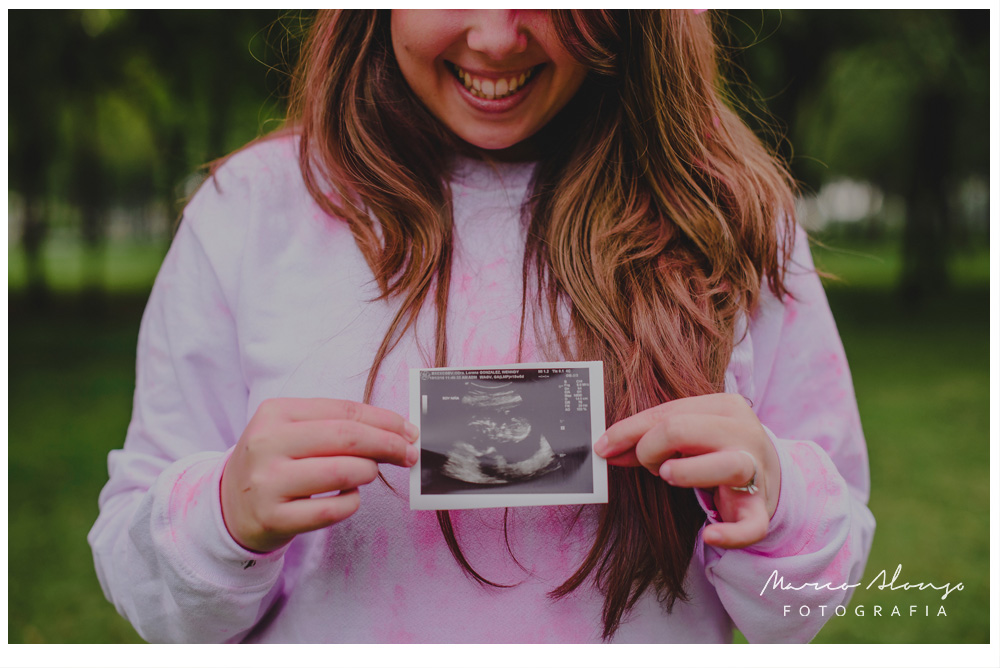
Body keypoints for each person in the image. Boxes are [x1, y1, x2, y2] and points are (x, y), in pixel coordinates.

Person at [89, 9, 874, 643]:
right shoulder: (251, 212)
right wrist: (223, 517)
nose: (496, 36)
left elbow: (810, 599)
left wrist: (775, 495)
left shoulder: (727, 214)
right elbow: (148, 588)